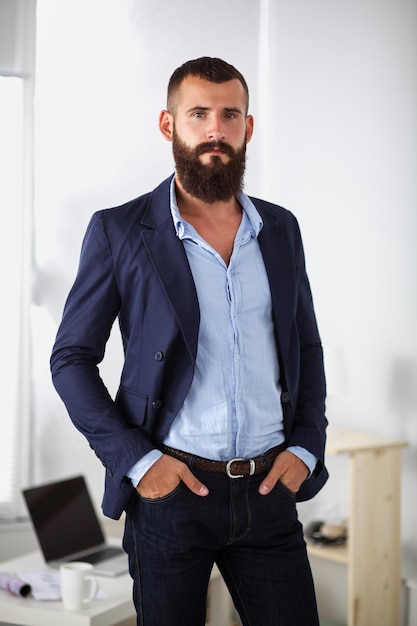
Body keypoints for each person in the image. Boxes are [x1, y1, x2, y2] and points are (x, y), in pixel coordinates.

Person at [51, 56, 328, 626]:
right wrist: (137, 460)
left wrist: (305, 446)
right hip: (172, 493)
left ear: (248, 127)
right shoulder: (119, 231)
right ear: (168, 125)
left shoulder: (281, 229)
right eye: (199, 113)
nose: (215, 130)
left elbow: (306, 348)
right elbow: (71, 359)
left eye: (230, 115)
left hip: (269, 488)